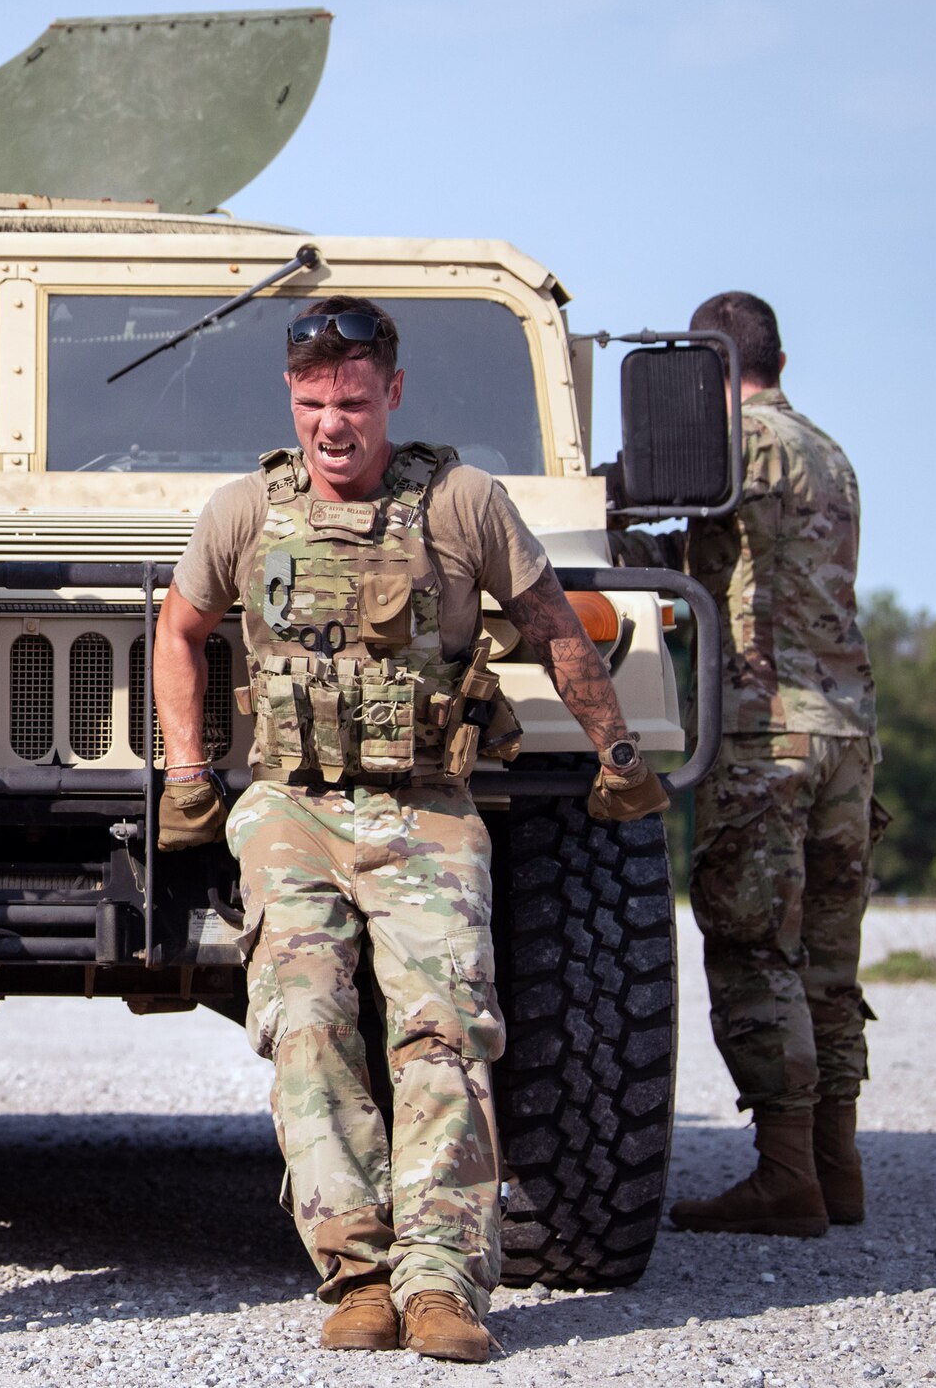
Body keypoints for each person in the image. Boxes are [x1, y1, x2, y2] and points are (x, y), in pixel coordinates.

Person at [153, 296, 667, 1361]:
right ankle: (355, 1272)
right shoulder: (245, 509)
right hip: (290, 805)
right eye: (309, 404)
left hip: (426, 805)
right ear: (288, 399)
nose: (329, 425)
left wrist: (616, 754)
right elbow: (180, 629)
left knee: (445, 1028)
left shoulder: (461, 502)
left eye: (349, 401)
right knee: (303, 1023)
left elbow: (552, 627)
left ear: (390, 392)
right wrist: (192, 770)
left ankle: (440, 1282)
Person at [611, 291, 879, 1237]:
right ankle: (836, 1168)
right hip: (847, 730)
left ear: (708, 365)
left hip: (767, 734)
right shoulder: (828, 450)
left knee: (756, 948)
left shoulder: (736, 446)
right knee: (828, 962)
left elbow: (636, 514)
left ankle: (785, 1176)